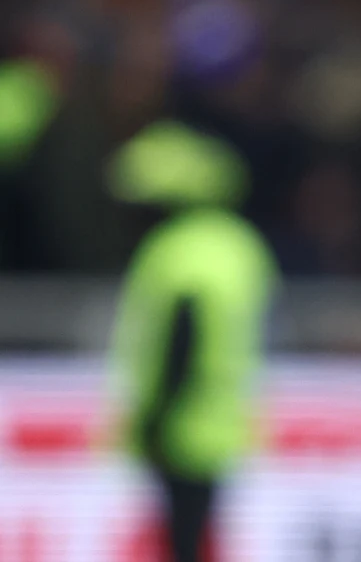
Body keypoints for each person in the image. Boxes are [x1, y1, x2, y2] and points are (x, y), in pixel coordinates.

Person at [107, 120, 278, 562]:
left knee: (181, 537)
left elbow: (181, 336)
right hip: (223, 418)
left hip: (180, 422)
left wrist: (156, 415)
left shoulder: (177, 249)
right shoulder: (239, 244)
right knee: (198, 530)